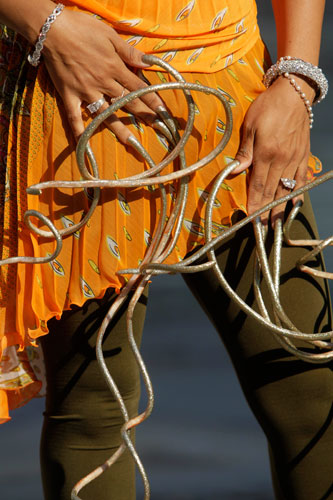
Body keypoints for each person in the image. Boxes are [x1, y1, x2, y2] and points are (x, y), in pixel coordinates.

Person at [0, 1, 332, 499]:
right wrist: (44, 24)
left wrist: (297, 80)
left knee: (310, 387)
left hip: (242, 94)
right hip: (80, 85)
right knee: (94, 409)